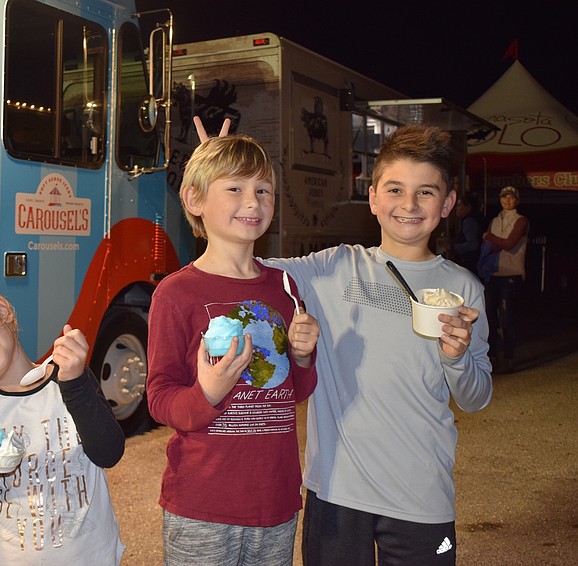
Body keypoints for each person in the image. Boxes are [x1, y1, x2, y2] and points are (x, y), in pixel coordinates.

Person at [261, 125, 493, 565]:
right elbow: (245, 268)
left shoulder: (464, 289)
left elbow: (476, 397)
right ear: (372, 197)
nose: (409, 204)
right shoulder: (332, 267)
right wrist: (222, 186)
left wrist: (458, 358)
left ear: (447, 203)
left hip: (421, 495)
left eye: (426, 192)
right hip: (336, 491)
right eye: (395, 189)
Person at [146, 130, 320, 565]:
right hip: (201, 504)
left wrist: (302, 357)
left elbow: (293, 392)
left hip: (275, 498)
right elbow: (160, 398)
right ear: (195, 199)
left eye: (263, 190)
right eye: (235, 189)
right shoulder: (176, 293)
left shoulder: (283, 286)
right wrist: (207, 392)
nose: (253, 202)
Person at [0, 283, 125, 565]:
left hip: (89, 554)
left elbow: (109, 452)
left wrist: (76, 384)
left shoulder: (68, 377)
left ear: (2, 312)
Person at [483, 185, 529, 373]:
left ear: (517, 200)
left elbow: (509, 243)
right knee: (489, 317)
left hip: (511, 273)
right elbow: (489, 244)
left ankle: (509, 356)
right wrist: (492, 240)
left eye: (511, 197)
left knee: (506, 317)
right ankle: (492, 356)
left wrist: (489, 237)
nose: (507, 200)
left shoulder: (521, 220)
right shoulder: (494, 220)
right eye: (504, 197)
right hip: (493, 274)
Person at [452, 191, 486, 277]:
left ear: (468, 207)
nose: (456, 208)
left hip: (469, 264)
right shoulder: (470, 220)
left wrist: (453, 247)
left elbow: (472, 244)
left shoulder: (469, 222)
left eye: (459, 205)